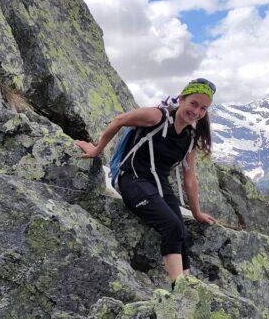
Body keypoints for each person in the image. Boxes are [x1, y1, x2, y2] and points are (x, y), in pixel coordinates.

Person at [76, 78, 219, 285]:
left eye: (203, 108)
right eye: (193, 103)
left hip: (159, 185)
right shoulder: (156, 116)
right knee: (171, 226)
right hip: (132, 180)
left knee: (182, 231)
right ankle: (179, 289)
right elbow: (119, 120)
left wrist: (196, 213)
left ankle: (188, 287)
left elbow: (190, 178)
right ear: (181, 99)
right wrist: (97, 149)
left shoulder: (189, 135)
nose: (196, 111)